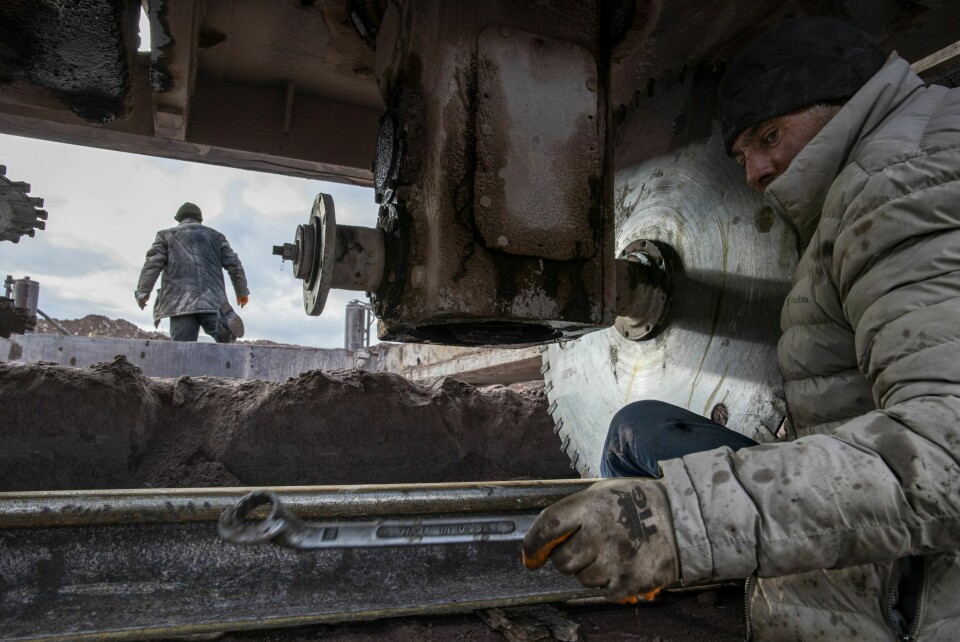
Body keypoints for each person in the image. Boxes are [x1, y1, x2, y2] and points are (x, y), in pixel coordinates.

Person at [523, 16, 960, 641]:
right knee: (634, 429)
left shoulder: (899, 184)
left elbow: (947, 457)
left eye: (770, 136)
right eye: (741, 154)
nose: (754, 172)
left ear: (846, 102)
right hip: (890, 513)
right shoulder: (909, 154)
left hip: (914, 592)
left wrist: (685, 520)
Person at [135, 202, 250, 343]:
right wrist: (242, 292)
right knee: (224, 342)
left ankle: (223, 329)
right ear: (200, 219)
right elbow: (234, 264)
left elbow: (152, 265)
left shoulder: (165, 235)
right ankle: (224, 327)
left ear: (178, 218)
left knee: (182, 350)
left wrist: (143, 292)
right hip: (213, 300)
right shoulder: (216, 237)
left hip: (180, 302)